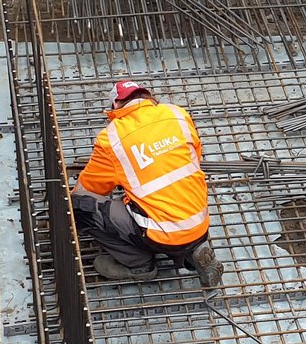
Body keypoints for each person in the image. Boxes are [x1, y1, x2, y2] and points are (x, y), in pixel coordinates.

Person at [73, 81, 224, 290]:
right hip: (198, 221)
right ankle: (193, 250)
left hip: (160, 234)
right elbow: (194, 157)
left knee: (80, 206)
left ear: (116, 104)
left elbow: (91, 188)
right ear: (147, 97)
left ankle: (140, 265)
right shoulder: (177, 114)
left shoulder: (112, 137)